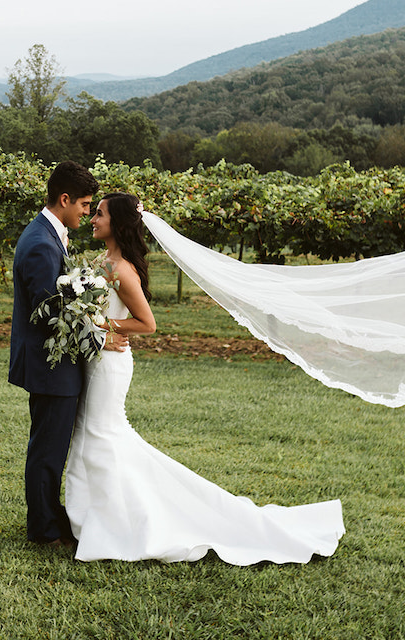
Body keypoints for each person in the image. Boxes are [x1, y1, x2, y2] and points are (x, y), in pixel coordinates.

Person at [65, 192, 345, 564]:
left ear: (117, 222)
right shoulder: (103, 261)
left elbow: (147, 323)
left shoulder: (122, 269)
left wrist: (101, 325)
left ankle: (121, 523)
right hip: (98, 358)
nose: (93, 219)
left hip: (111, 364)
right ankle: (90, 518)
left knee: (102, 436)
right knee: (90, 435)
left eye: (99, 214)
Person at [9, 161, 125, 548]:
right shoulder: (42, 243)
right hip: (49, 365)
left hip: (53, 365)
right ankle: (43, 531)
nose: (87, 213)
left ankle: (51, 517)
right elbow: (49, 314)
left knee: (52, 446)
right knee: (47, 449)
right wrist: (99, 339)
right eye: (85, 204)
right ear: (64, 199)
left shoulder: (47, 235)